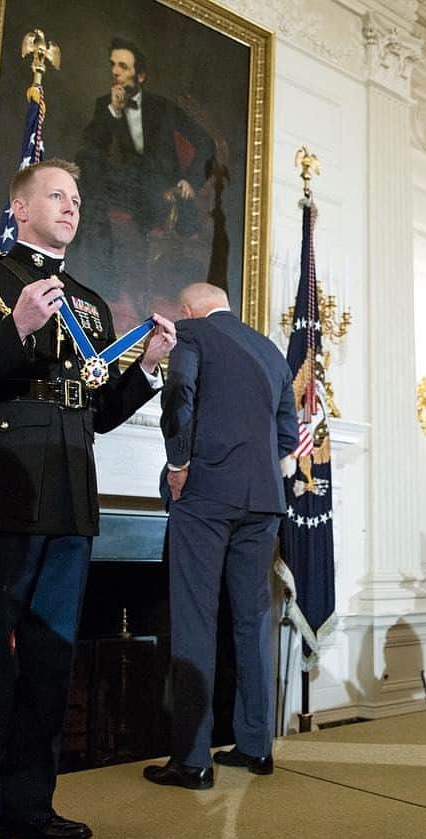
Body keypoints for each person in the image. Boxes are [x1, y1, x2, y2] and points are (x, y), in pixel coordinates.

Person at [0, 159, 177, 839]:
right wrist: (13, 326)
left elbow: (94, 409)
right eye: (58, 195)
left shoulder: (90, 301)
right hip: (0, 481)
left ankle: (30, 804)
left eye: (77, 196)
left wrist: (149, 367)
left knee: (49, 659)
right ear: (20, 205)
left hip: (69, 488)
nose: (72, 206)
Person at [143, 282, 297, 789]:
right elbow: (287, 435)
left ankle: (193, 760)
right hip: (265, 501)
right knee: (252, 621)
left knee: (195, 618)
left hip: (206, 494)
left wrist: (177, 462)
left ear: (189, 311)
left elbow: (179, 395)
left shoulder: (191, 334)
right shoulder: (271, 350)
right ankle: (256, 747)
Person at [74, 37, 215, 321]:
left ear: (140, 75)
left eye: (123, 67)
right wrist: (112, 112)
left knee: (101, 188)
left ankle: (113, 287)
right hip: (127, 186)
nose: (115, 72)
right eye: (113, 65)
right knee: (89, 183)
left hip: (164, 189)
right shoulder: (106, 104)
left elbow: (206, 143)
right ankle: (103, 284)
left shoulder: (163, 108)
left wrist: (190, 180)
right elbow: (90, 147)